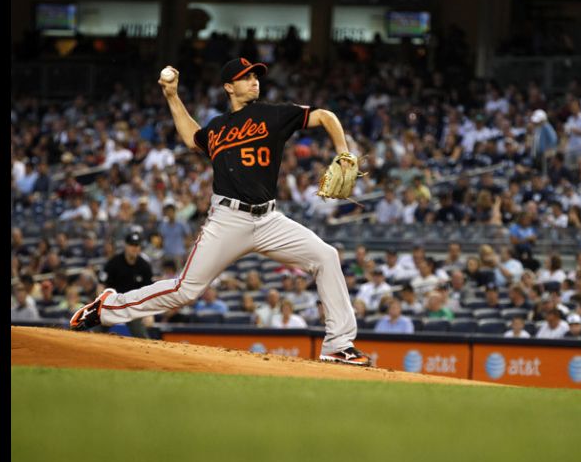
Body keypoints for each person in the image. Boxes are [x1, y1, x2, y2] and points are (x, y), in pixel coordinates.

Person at [70, 58, 371, 365]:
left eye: (256, 76)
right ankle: (107, 308)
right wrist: (172, 96)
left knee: (326, 256)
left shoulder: (273, 114)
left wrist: (343, 151)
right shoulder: (217, 128)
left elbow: (325, 116)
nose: (254, 81)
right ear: (229, 87)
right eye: (246, 77)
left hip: (268, 219)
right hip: (227, 220)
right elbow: (191, 138)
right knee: (185, 290)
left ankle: (338, 345)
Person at [97, 231, 154, 338]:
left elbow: (150, 292)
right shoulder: (114, 263)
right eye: (132, 244)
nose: (135, 248)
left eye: (137, 245)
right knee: (95, 330)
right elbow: (101, 285)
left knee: (142, 337)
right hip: (114, 304)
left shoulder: (144, 266)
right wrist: (100, 305)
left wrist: (149, 313)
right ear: (126, 245)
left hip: (133, 306)